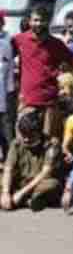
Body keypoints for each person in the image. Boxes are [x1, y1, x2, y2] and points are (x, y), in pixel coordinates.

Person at [12, 6, 73, 140]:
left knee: (49, 141)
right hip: (27, 101)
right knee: (24, 140)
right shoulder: (19, 40)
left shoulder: (56, 44)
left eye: (42, 20)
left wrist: (68, 84)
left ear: (48, 22)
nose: (38, 24)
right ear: (29, 21)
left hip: (50, 102)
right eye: (35, 20)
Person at [1, 112, 63, 211]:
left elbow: (45, 173)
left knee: (53, 185)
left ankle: (22, 199)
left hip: (40, 183)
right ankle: (26, 201)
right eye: (23, 135)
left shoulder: (51, 144)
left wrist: (21, 193)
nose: (26, 139)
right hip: (22, 182)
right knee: (3, 179)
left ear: (39, 132)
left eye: (30, 136)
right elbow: (8, 169)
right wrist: (5, 193)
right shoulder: (16, 143)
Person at [0, 10, 16, 159]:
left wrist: (10, 93)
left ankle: (9, 161)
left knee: (6, 132)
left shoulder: (6, 43)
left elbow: (9, 69)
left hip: (3, 96)